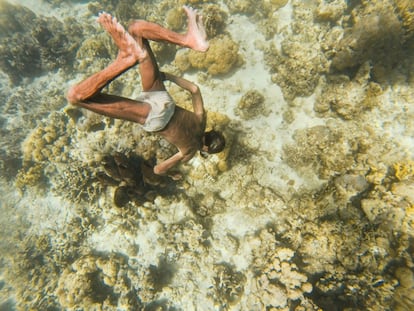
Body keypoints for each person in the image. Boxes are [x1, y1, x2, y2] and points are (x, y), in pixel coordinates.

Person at [67, 6, 225, 179]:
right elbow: (158, 170)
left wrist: (167, 76)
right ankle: (126, 59)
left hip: (163, 99)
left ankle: (188, 41)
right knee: (76, 97)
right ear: (207, 150)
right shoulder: (189, 152)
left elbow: (194, 89)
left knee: (136, 29)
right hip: (154, 117)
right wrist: (173, 173)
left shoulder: (201, 121)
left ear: (211, 132)